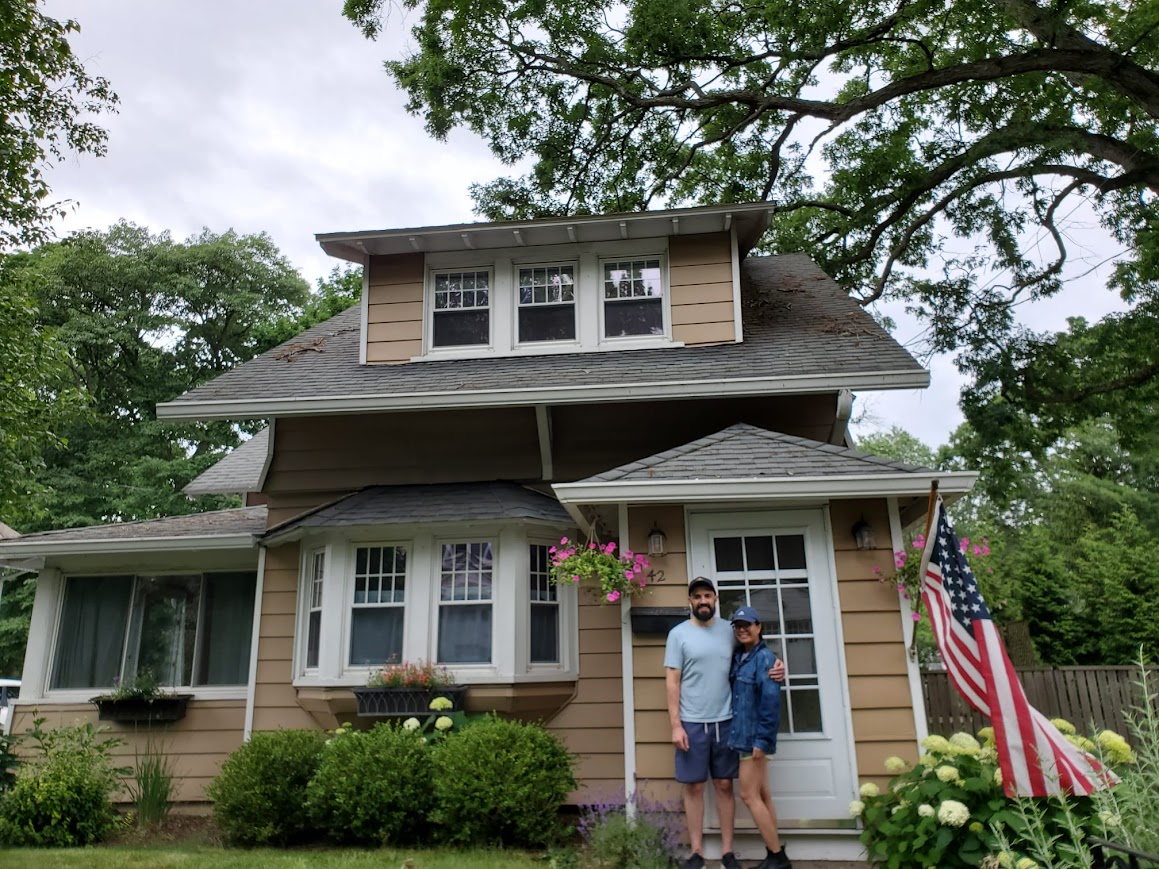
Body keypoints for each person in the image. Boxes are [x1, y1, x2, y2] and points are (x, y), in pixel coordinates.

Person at [665, 576, 785, 869]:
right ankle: (696, 853)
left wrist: (778, 664)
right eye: (697, 596)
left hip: (728, 720)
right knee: (693, 788)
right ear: (690, 601)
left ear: (715, 599)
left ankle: (728, 853)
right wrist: (676, 725)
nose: (703, 601)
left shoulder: (729, 631)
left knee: (722, 785)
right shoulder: (678, 634)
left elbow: (755, 649)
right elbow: (672, 681)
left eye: (708, 595)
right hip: (692, 721)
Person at [728, 606, 791, 869]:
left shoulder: (765, 659)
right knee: (763, 794)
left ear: (758, 627)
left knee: (748, 795)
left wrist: (761, 741)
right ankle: (774, 850)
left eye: (747, 625)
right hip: (743, 735)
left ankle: (777, 858)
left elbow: (770, 704)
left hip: (753, 739)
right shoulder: (739, 657)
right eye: (738, 625)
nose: (742, 629)